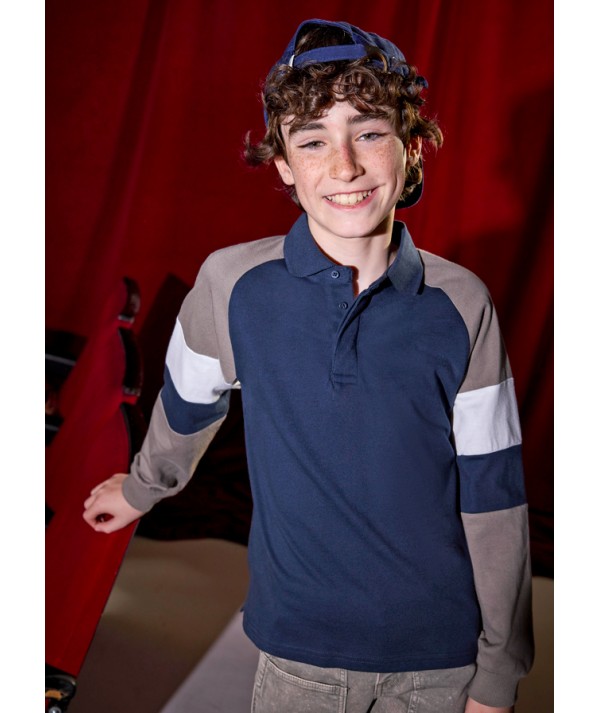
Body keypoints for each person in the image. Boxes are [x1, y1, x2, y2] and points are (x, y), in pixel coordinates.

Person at [83, 18, 534, 713]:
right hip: (300, 653)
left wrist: (500, 670)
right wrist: (144, 488)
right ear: (284, 166)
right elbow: (188, 402)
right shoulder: (233, 285)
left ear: (411, 148)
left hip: (439, 657)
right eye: (313, 140)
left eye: (369, 133)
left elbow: (494, 491)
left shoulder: (462, 303)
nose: (344, 166)